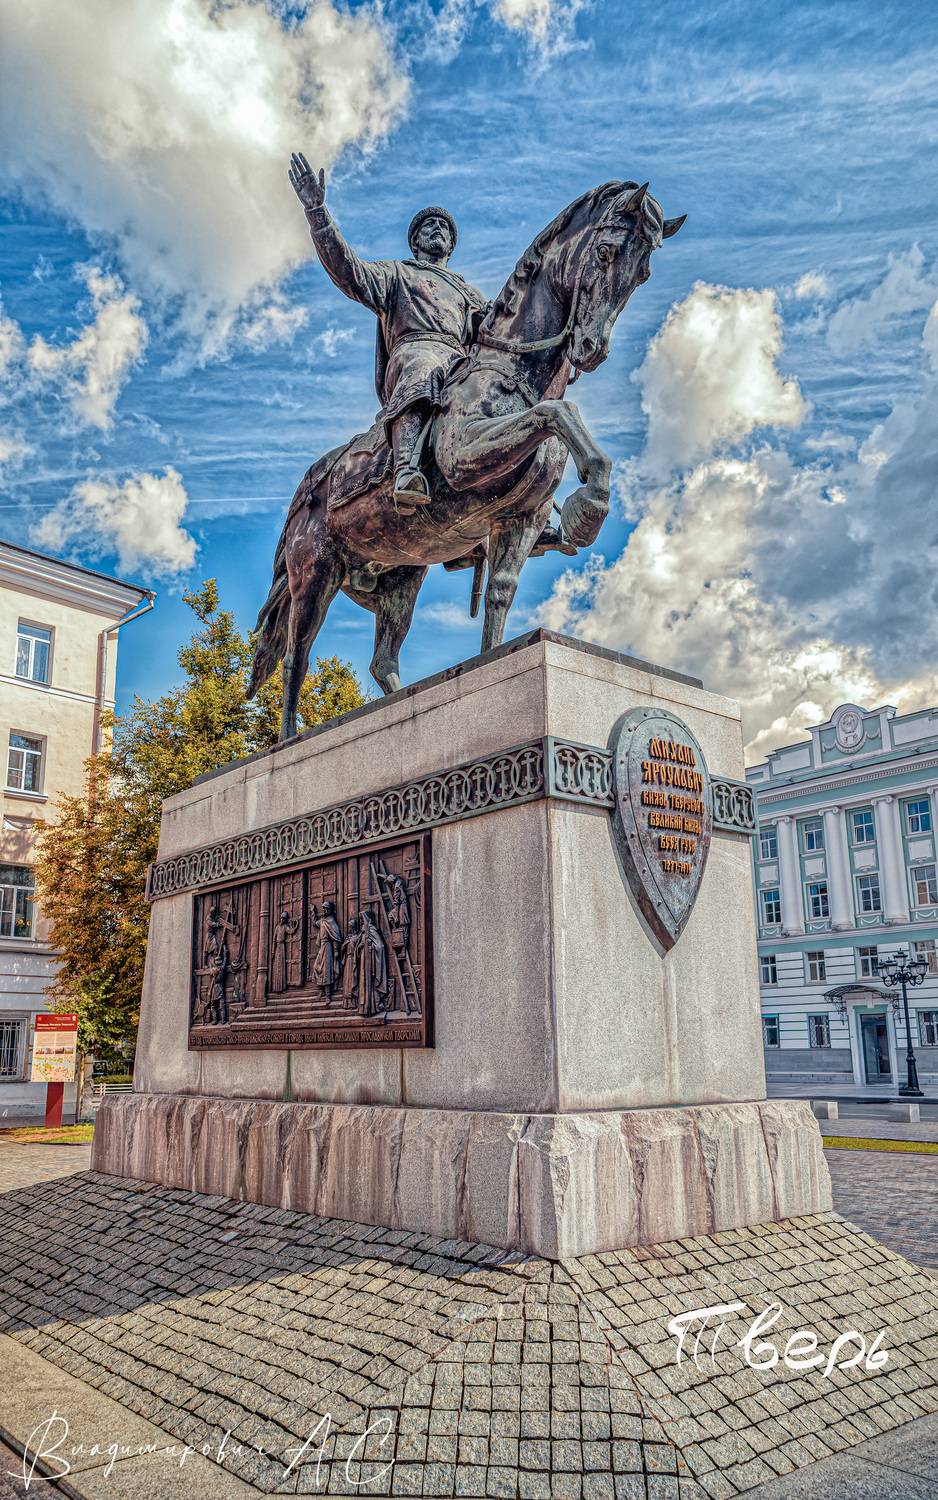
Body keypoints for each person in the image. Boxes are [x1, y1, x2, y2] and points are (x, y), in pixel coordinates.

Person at [288, 152, 489, 510]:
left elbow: (494, 333)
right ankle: (407, 467)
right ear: (415, 243)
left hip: (459, 362)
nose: (438, 229)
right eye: (429, 226)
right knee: (424, 363)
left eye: (444, 227)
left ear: (452, 247)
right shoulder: (397, 273)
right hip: (415, 351)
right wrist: (317, 214)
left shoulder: (468, 293)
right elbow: (349, 271)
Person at [358, 908, 390, 1018]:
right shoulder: (363, 932)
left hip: (370, 963)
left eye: (362, 919)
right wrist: (360, 947)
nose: (361, 921)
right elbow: (359, 946)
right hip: (363, 961)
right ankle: (365, 1008)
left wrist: (371, 947)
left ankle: (373, 1006)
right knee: (364, 983)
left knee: (370, 983)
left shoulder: (371, 930)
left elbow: (380, 946)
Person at [311, 900, 342, 1002]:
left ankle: (328, 995)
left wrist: (336, 950)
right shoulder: (323, 920)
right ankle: (321, 989)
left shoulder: (331, 921)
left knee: (327, 970)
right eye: (323, 908)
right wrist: (312, 912)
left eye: (326, 908)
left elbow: (335, 937)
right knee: (317, 967)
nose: (324, 910)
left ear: (330, 910)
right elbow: (315, 924)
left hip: (328, 947)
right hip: (322, 946)